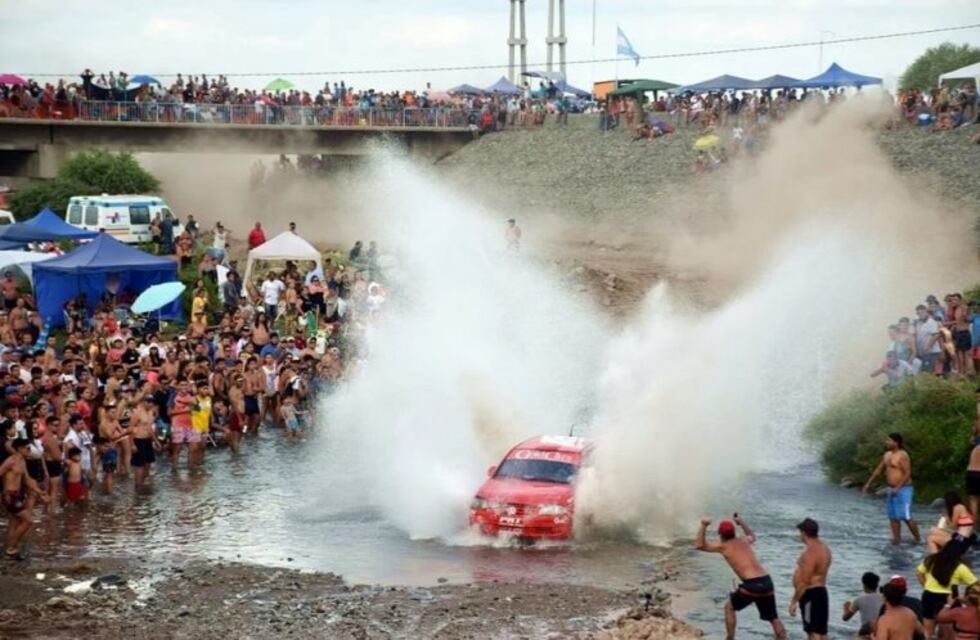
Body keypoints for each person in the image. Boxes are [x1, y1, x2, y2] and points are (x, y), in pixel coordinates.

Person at [696, 514, 787, 640]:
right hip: (766, 581)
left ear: (720, 535)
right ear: (734, 533)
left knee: (729, 608)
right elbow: (752, 536)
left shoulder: (723, 546)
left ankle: (730, 638)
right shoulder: (744, 541)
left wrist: (703, 525)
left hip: (752, 585)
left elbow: (700, 545)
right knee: (773, 618)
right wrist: (741, 522)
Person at [863, 432, 921, 545]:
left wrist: (898, 488)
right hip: (891, 488)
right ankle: (896, 539)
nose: (886, 442)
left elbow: (907, 473)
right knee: (893, 516)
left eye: (889, 440)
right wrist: (868, 483)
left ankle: (918, 539)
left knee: (906, 516)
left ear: (896, 442)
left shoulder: (902, 455)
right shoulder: (887, 455)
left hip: (904, 489)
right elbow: (879, 469)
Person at [916, 541, 978, 637]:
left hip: (928, 596)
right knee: (948, 632)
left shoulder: (931, 559)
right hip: (949, 599)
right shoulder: (960, 567)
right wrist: (968, 599)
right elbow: (975, 584)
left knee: (928, 631)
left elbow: (919, 573)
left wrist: (925, 586)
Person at [1, 438, 49, 560]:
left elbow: (28, 481)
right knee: (28, 521)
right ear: (19, 448)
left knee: (15, 522)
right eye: (27, 448)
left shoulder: (22, 461)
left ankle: (11, 550)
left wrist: (41, 493)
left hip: (17, 495)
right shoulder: (10, 461)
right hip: (10, 496)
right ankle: (11, 549)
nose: (29, 451)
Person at [789, 518, 832, 639]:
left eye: (800, 533)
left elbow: (804, 582)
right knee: (821, 632)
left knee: (812, 632)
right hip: (821, 593)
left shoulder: (810, 553)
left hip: (810, 595)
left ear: (804, 533)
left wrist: (793, 602)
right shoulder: (825, 548)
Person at [842, 572, 882, 638]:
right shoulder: (884, 598)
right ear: (877, 585)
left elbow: (845, 618)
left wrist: (846, 607)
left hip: (867, 632)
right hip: (882, 631)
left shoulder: (859, 600)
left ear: (864, 585)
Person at [130, 395, 157, 489]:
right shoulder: (137, 413)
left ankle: (142, 484)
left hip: (148, 440)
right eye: (148, 401)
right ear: (143, 402)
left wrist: (156, 441)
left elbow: (150, 428)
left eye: (151, 402)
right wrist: (132, 444)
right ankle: (138, 486)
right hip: (138, 440)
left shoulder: (151, 412)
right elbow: (131, 429)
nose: (150, 404)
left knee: (148, 464)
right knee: (139, 465)